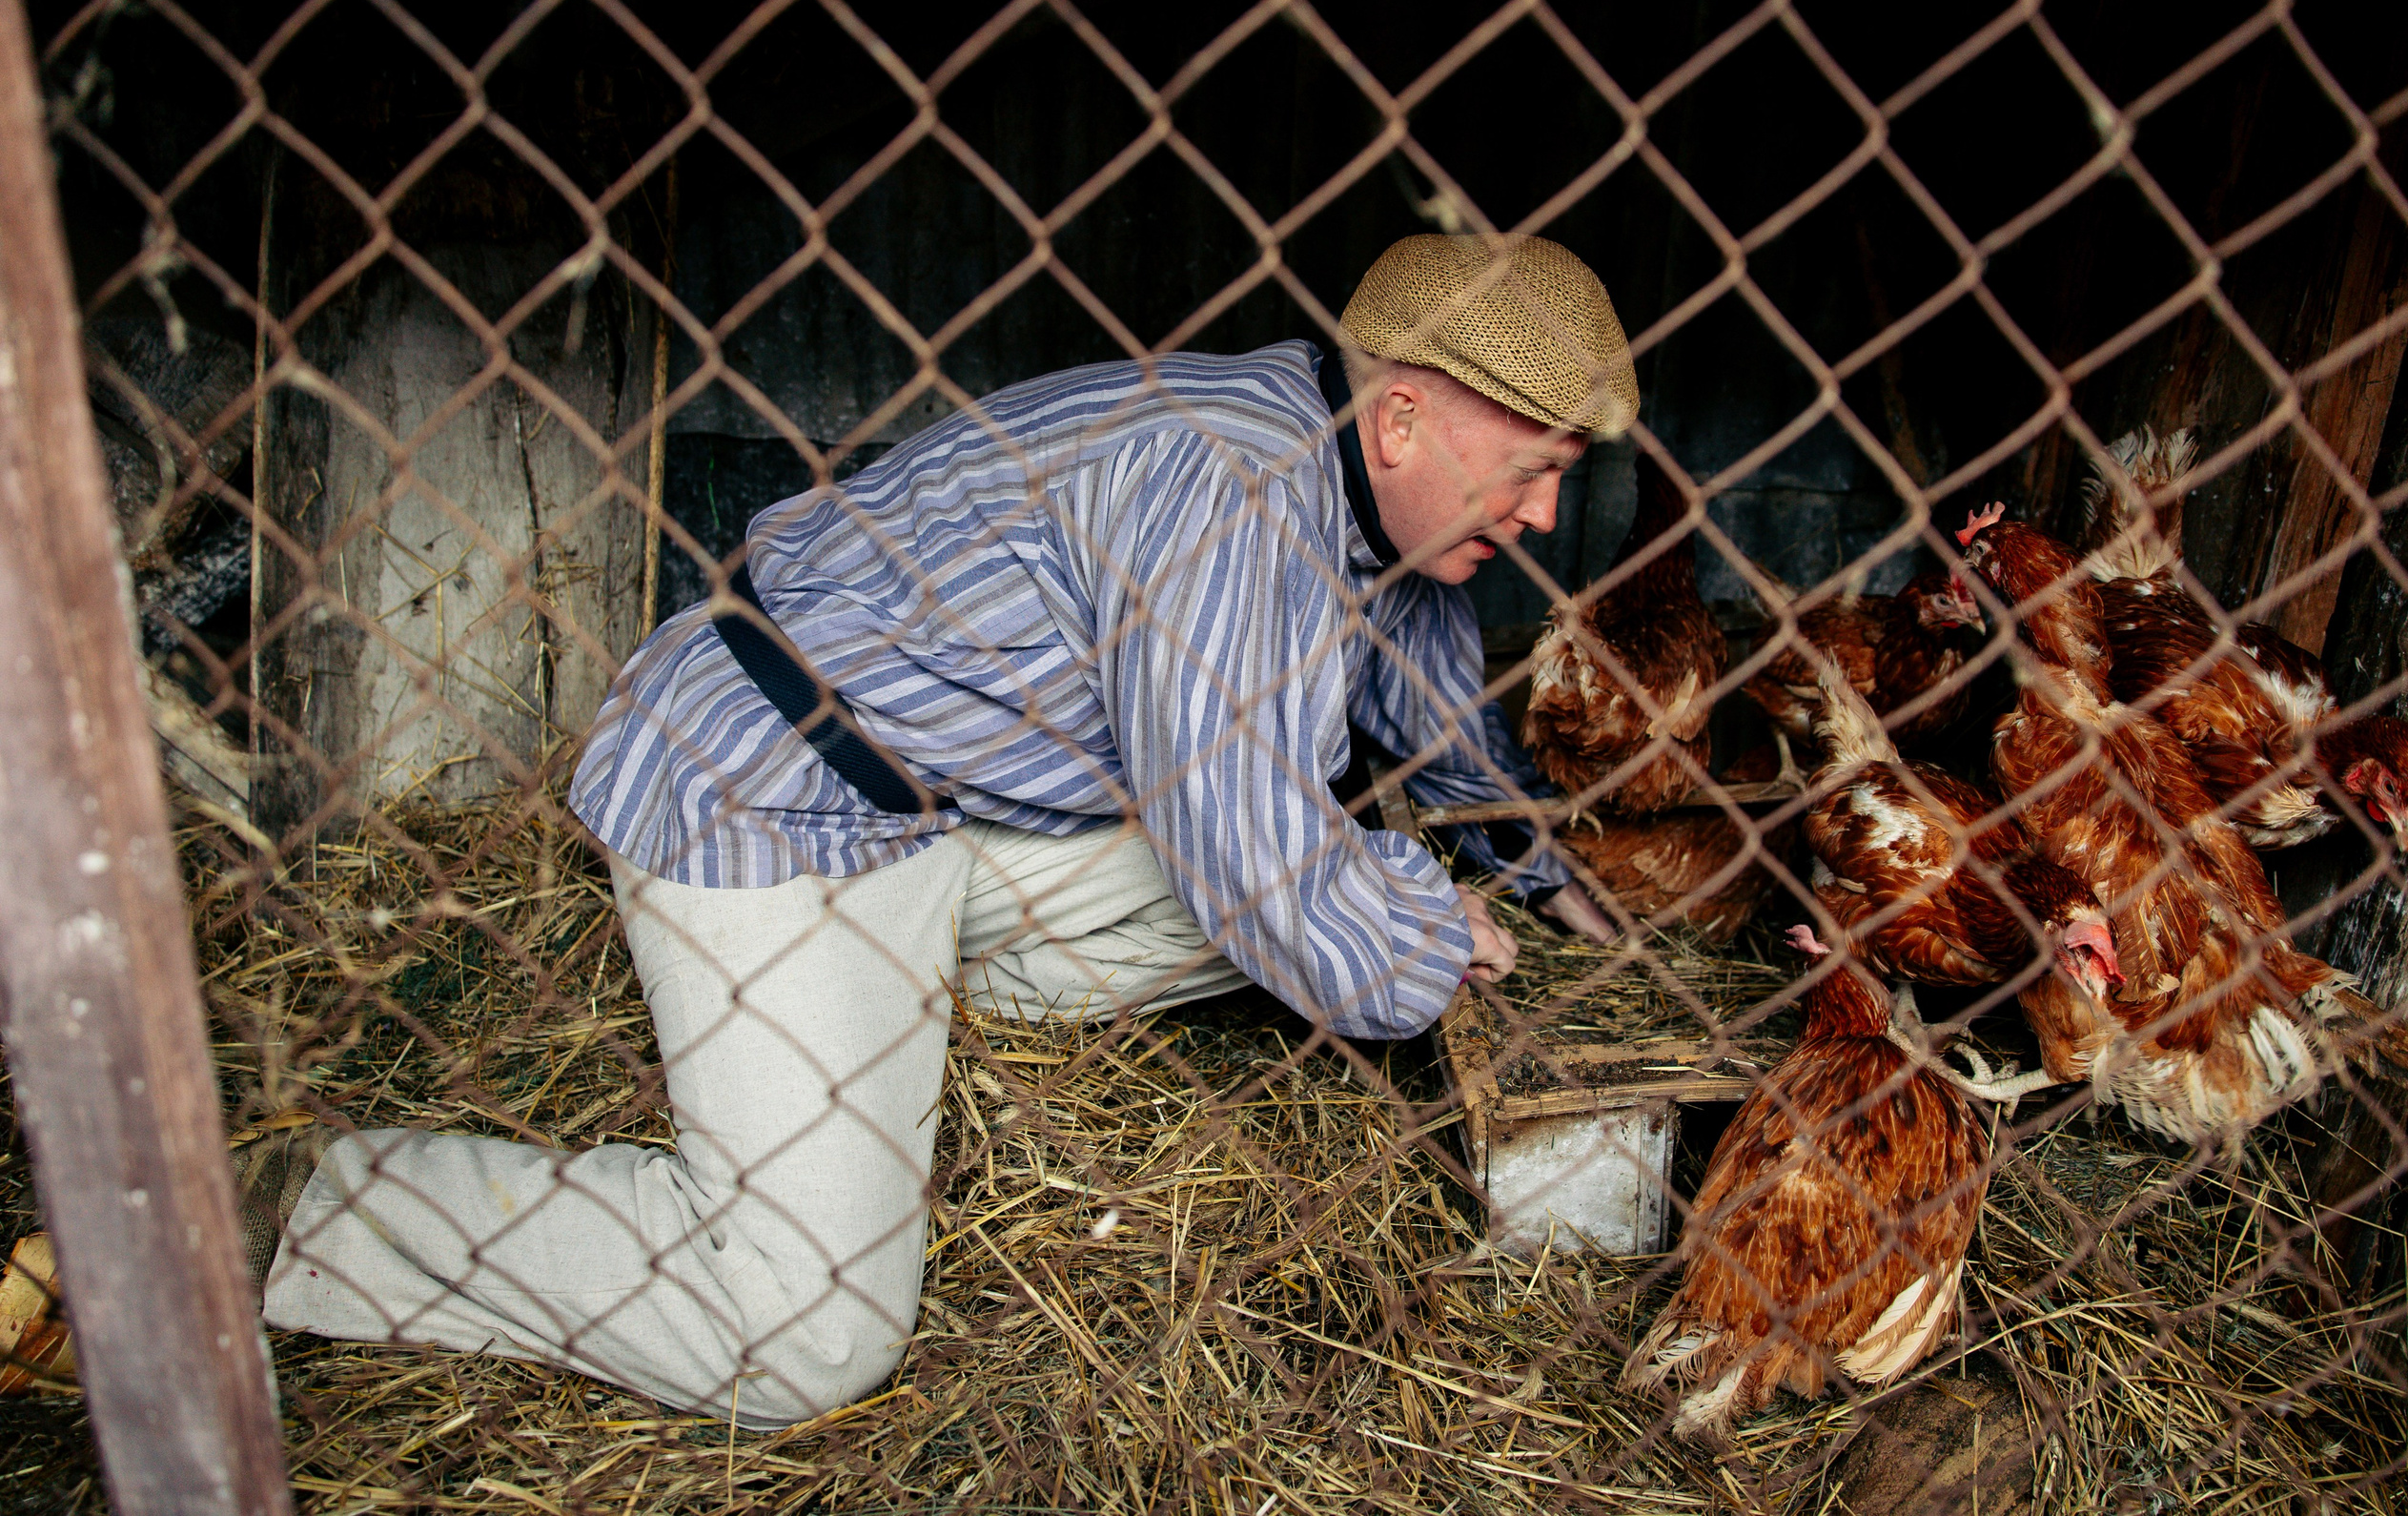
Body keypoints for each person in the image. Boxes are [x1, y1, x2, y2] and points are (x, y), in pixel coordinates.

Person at [245, 234, 1636, 1426]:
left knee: (1283, 885)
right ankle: (313, 1208)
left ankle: (878, 1006)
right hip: (775, 798)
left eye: (1565, 471)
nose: (1547, 514)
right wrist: (1412, 922)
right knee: (806, 1339)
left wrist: (1518, 863)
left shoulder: (1335, 457)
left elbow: (1423, 678)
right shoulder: (1237, 497)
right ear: (1399, 421)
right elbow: (1267, 869)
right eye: (1529, 466)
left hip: (942, 810)